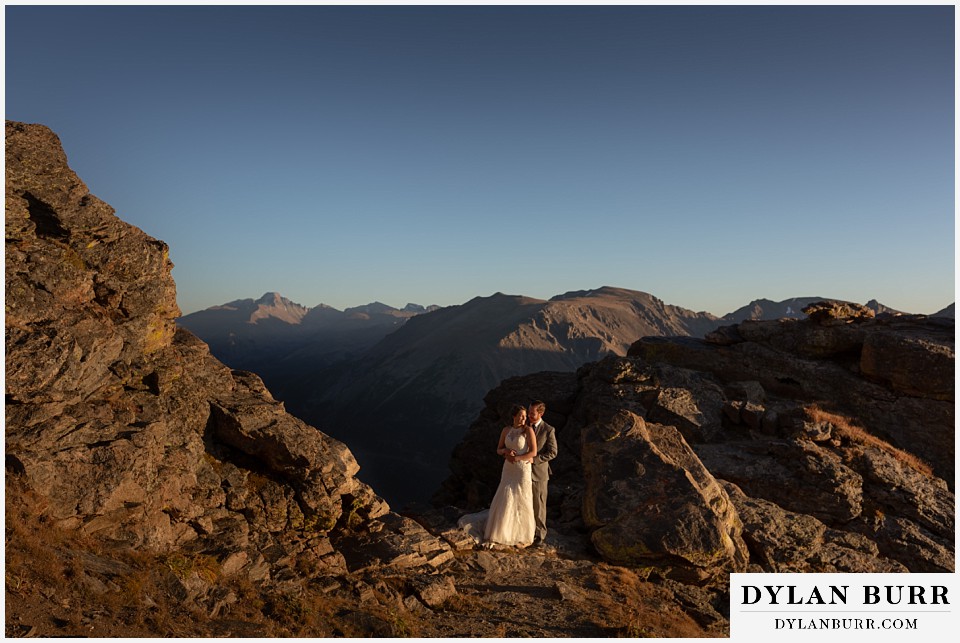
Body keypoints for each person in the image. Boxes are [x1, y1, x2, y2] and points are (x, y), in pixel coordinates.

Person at [458, 404, 538, 548]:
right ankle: (502, 531)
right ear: (514, 416)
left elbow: (533, 452)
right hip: (508, 468)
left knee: (521, 498)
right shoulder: (506, 430)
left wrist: (518, 458)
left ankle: (521, 534)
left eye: (525, 416)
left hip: (522, 469)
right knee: (505, 496)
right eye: (521, 415)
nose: (524, 418)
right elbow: (498, 449)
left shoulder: (528, 431)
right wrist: (506, 452)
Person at [527, 400, 558, 547]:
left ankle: (540, 535)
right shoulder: (525, 426)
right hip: (522, 472)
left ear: (541, 413)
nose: (529, 415)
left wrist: (535, 460)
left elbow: (553, 452)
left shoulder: (548, 430)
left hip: (539, 473)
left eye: (532, 413)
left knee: (539, 505)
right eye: (529, 412)